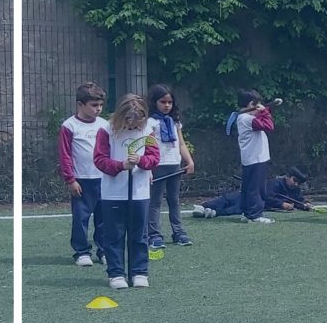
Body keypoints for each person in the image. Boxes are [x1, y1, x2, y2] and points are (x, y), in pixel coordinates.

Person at [93, 93, 160, 289]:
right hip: (113, 192)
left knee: (139, 234)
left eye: (137, 124)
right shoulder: (105, 130)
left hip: (139, 192)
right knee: (114, 235)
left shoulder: (148, 131)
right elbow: (99, 159)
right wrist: (121, 165)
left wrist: (142, 161)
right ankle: (116, 273)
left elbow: (154, 157)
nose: (133, 128)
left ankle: (139, 271)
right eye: (129, 124)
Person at [57, 82, 109, 266]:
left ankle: (104, 250)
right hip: (81, 181)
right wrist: (70, 179)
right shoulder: (69, 126)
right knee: (81, 218)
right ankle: (81, 252)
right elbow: (65, 155)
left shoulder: (105, 125)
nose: (98, 109)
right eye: (94, 105)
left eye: (101, 105)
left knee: (105, 218)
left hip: (104, 180)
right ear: (80, 105)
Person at [146, 84, 195, 248]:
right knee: (155, 201)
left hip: (174, 165)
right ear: (155, 102)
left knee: (174, 200)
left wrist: (189, 161)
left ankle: (179, 232)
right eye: (163, 102)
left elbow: (181, 144)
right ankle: (154, 235)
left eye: (170, 102)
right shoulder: (150, 122)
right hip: (157, 166)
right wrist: (148, 169)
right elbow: (147, 146)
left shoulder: (175, 122)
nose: (167, 105)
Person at [229, 89, 276, 224]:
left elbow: (261, 122)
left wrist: (261, 112)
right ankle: (255, 214)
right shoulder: (246, 118)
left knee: (249, 187)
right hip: (255, 158)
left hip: (252, 157)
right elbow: (269, 126)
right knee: (256, 188)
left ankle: (247, 212)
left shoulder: (246, 118)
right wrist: (265, 112)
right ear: (251, 104)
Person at [192, 168, 311, 218]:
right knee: (226, 199)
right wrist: (282, 204)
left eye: (298, 183)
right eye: (294, 180)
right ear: (288, 176)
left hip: (251, 203)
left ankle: (213, 213)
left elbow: (298, 200)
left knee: (234, 209)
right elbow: (267, 197)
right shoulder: (276, 183)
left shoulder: (295, 190)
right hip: (249, 196)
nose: (296, 184)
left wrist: (305, 205)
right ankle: (202, 207)